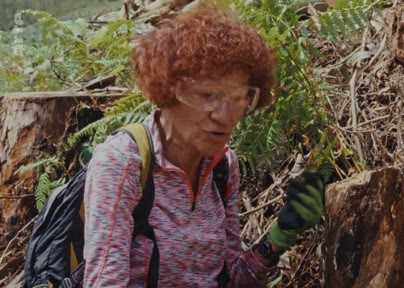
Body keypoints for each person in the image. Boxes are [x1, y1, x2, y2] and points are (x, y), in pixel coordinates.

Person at [83, 2, 325, 287]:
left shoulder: (222, 166)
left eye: (238, 98)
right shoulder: (123, 163)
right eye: (207, 95)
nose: (224, 117)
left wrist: (280, 236)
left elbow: (232, 278)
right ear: (168, 90)